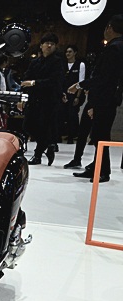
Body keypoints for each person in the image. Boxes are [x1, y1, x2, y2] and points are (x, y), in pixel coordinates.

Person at [70, 15, 123, 183]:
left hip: (103, 99)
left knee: (100, 136)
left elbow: (103, 78)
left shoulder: (113, 49)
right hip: (109, 98)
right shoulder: (119, 47)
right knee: (99, 134)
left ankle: (103, 171)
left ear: (110, 28)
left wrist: (81, 86)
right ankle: (96, 166)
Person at [20, 33, 65, 166]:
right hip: (34, 99)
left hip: (49, 100)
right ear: (41, 45)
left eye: (52, 44)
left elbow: (54, 81)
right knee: (27, 125)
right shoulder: (35, 62)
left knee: (43, 126)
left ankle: (38, 155)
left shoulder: (58, 62)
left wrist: (34, 83)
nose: (49, 46)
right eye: (47, 43)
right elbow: (26, 80)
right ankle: (49, 144)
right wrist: (22, 98)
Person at [60, 45, 86, 148]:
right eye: (66, 52)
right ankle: (60, 135)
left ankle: (72, 136)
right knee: (61, 114)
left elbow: (81, 81)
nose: (68, 54)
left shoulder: (80, 65)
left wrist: (77, 97)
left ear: (75, 53)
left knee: (72, 114)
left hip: (74, 94)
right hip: (63, 94)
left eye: (70, 52)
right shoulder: (62, 65)